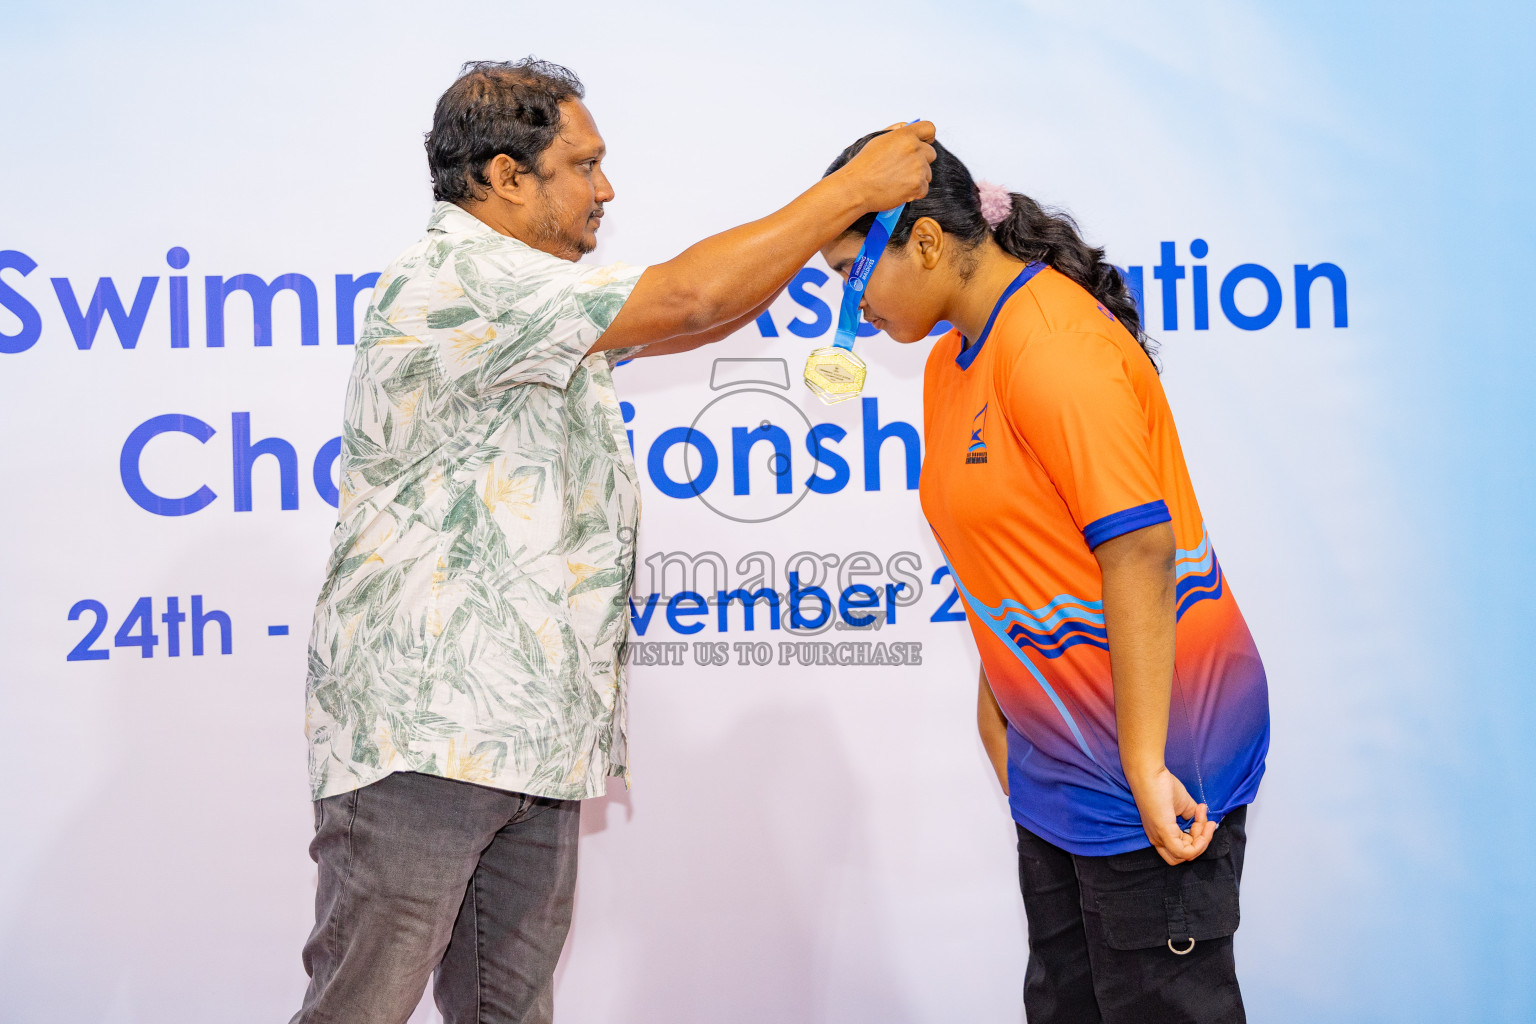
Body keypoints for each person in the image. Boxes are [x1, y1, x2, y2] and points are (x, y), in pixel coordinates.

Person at [293, 59, 935, 1024]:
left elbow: (698, 316)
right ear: (507, 178)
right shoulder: (467, 277)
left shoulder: (545, 301)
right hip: (429, 739)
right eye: (583, 165)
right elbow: (683, 298)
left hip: (531, 740)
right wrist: (846, 192)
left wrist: (816, 234)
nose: (606, 188)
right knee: (357, 1010)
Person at [820, 136, 1269, 1022]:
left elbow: (1138, 549)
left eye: (848, 271)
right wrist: (1000, 699)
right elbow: (1017, 547)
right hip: (1060, 759)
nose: (848, 302)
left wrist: (1145, 762)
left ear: (925, 243)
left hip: (1159, 752)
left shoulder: (1053, 343)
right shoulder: (956, 361)